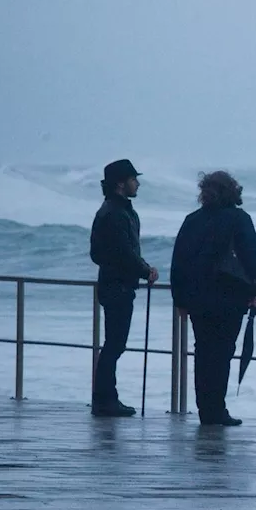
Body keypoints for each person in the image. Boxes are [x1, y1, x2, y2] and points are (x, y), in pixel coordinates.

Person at [170, 171, 256, 426]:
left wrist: (179, 299)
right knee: (222, 354)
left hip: (198, 299)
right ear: (232, 191)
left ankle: (206, 410)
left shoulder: (192, 220)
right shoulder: (239, 219)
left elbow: (178, 261)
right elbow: (252, 258)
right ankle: (217, 410)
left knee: (203, 353)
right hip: (230, 298)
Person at [89, 158, 159, 417]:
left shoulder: (111, 210)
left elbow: (99, 253)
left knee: (114, 344)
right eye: (133, 179)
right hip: (118, 286)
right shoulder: (116, 213)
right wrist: (145, 270)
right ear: (121, 183)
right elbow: (123, 252)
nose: (137, 183)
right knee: (115, 345)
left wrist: (139, 268)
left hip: (113, 284)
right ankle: (105, 400)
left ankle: (106, 398)